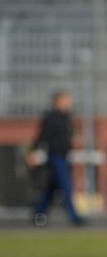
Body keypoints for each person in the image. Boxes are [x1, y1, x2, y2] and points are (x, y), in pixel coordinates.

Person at [27, 90, 84, 226]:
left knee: (50, 189)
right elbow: (42, 136)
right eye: (65, 100)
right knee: (65, 186)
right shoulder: (51, 117)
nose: (68, 103)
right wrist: (33, 152)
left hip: (64, 156)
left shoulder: (66, 117)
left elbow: (69, 135)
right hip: (55, 156)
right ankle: (74, 217)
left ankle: (38, 214)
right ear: (58, 102)